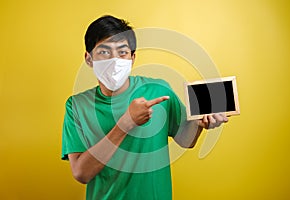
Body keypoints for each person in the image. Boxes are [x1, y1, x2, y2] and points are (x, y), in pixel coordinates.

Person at [61, 15, 228, 200]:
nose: (115, 60)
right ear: (89, 58)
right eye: (105, 52)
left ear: (132, 58)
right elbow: (81, 173)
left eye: (122, 52)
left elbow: (186, 140)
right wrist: (126, 123)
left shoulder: (159, 91)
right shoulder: (76, 106)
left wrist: (200, 124)